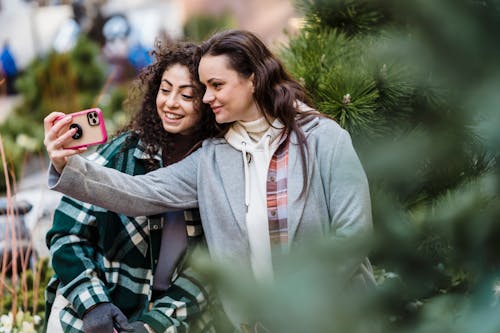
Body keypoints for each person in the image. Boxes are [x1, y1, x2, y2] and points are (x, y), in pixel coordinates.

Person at [44, 29, 376, 331]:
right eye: (203, 88)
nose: (206, 98)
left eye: (215, 86)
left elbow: (354, 235)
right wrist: (66, 165)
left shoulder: (325, 138)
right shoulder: (214, 156)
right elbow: (141, 191)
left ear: (254, 80)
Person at [44, 41, 219, 333]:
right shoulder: (121, 154)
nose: (171, 102)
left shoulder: (217, 168)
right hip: (102, 304)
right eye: (165, 90)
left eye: (187, 94)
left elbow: (210, 270)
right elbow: (66, 234)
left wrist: (152, 325)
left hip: (176, 316)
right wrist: (94, 304)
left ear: (210, 101)